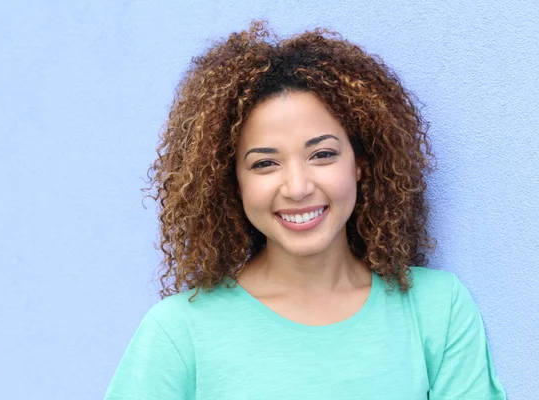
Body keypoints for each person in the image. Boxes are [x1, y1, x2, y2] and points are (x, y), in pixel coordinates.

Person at [104, 20, 506, 399]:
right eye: (265, 163)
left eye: (323, 154)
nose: (297, 188)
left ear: (361, 163)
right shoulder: (179, 332)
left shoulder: (438, 309)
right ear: (232, 183)